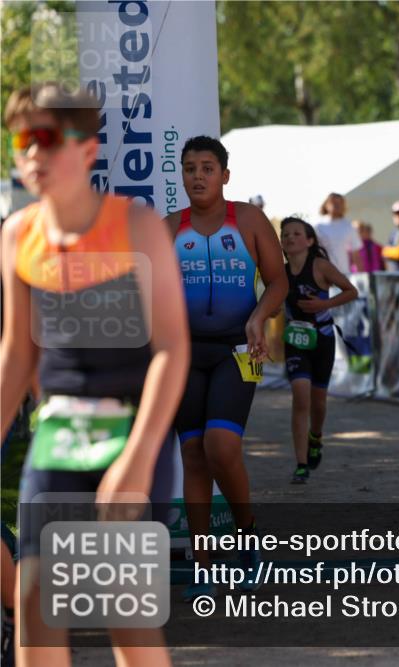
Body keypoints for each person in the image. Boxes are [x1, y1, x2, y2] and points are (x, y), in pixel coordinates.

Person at [1, 83, 188, 667]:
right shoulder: (16, 235)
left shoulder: (135, 225)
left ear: (88, 149)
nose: (31, 154)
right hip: (58, 437)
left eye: (46, 138)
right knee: (34, 603)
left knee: (122, 615)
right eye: (21, 140)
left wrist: (138, 459)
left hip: (131, 435)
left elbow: (171, 349)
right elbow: (17, 354)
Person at [166, 136, 288, 601]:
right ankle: (202, 562)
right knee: (193, 455)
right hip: (184, 355)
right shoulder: (168, 227)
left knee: (221, 446)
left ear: (225, 176)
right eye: (190, 168)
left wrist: (259, 316)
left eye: (207, 168)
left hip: (239, 350)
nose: (198, 176)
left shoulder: (250, 220)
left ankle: (249, 536)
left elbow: (278, 282)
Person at [279, 218, 358, 484]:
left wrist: (325, 305)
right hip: (295, 339)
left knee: (318, 402)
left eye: (296, 233)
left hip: (322, 339)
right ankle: (301, 464)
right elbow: (271, 302)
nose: (290, 238)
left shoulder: (320, 266)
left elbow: (351, 291)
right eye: (285, 234)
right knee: (301, 396)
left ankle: (316, 436)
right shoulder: (280, 272)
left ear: (310, 240)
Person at [314, 192, 362, 274]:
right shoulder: (318, 226)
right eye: (334, 202)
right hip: (323, 275)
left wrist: (361, 276)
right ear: (326, 205)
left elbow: (356, 255)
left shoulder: (349, 226)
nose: (337, 205)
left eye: (340, 203)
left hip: (344, 274)